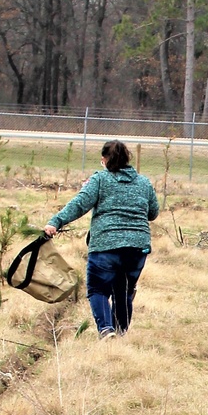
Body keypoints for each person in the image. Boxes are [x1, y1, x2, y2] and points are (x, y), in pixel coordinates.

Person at [44, 140, 159, 337]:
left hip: (106, 245)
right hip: (137, 248)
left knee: (97, 289)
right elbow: (153, 213)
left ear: (104, 160)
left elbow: (80, 204)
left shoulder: (99, 179)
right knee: (124, 292)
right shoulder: (144, 182)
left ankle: (106, 330)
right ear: (127, 159)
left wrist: (55, 222)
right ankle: (121, 334)